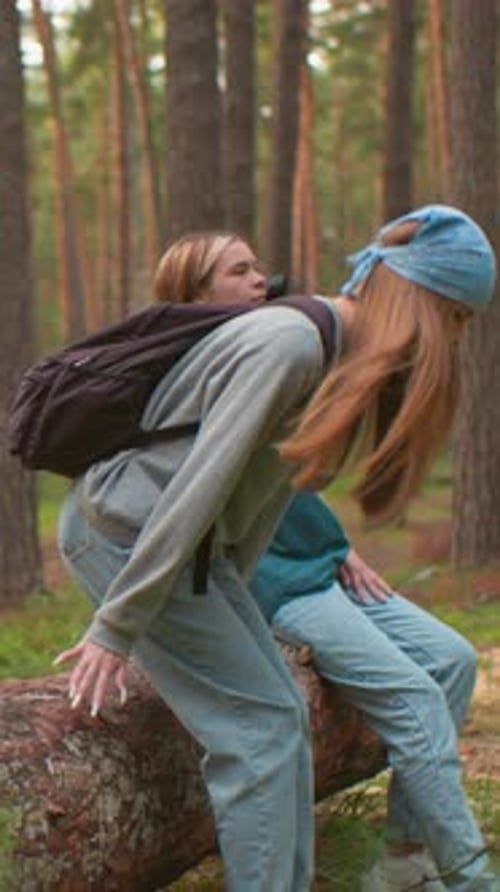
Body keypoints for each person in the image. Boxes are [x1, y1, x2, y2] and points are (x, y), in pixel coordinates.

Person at [55, 206, 497, 892]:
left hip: (193, 555)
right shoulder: (291, 346)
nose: (449, 337)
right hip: (125, 534)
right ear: (415, 296)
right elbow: (194, 490)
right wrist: (115, 628)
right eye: (451, 317)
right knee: (259, 731)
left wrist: (236, 594)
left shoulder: (328, 355)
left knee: (278, 718)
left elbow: (258, 502)